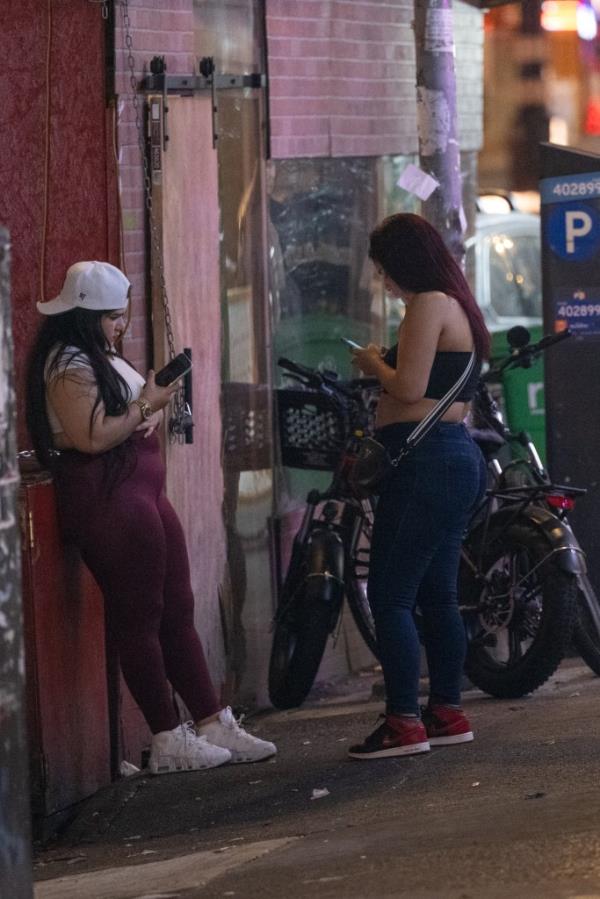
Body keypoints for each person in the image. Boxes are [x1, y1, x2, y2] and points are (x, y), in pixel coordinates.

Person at [26, 260, 277, 775]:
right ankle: (166, 736)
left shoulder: (100, 355)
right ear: (86, 316)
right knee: (138, 613)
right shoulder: (67, 364)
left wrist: (150, 402)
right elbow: (92, 436)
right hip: (109, 497)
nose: (122, 325)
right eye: (114, 317)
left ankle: (209, 719)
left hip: (140, 491)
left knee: (176, 605)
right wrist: (147, 404)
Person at [347, 214, 489, 760]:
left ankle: (403, 722)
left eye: (384, 270)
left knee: (391, 595)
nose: (384, 281)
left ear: (405, 262)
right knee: (438, 594)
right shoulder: (459, 304)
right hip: (455, 458)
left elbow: (407, 388)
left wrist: (373, 362)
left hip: (425, 462)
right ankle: (446, 710)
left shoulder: (427, 303)